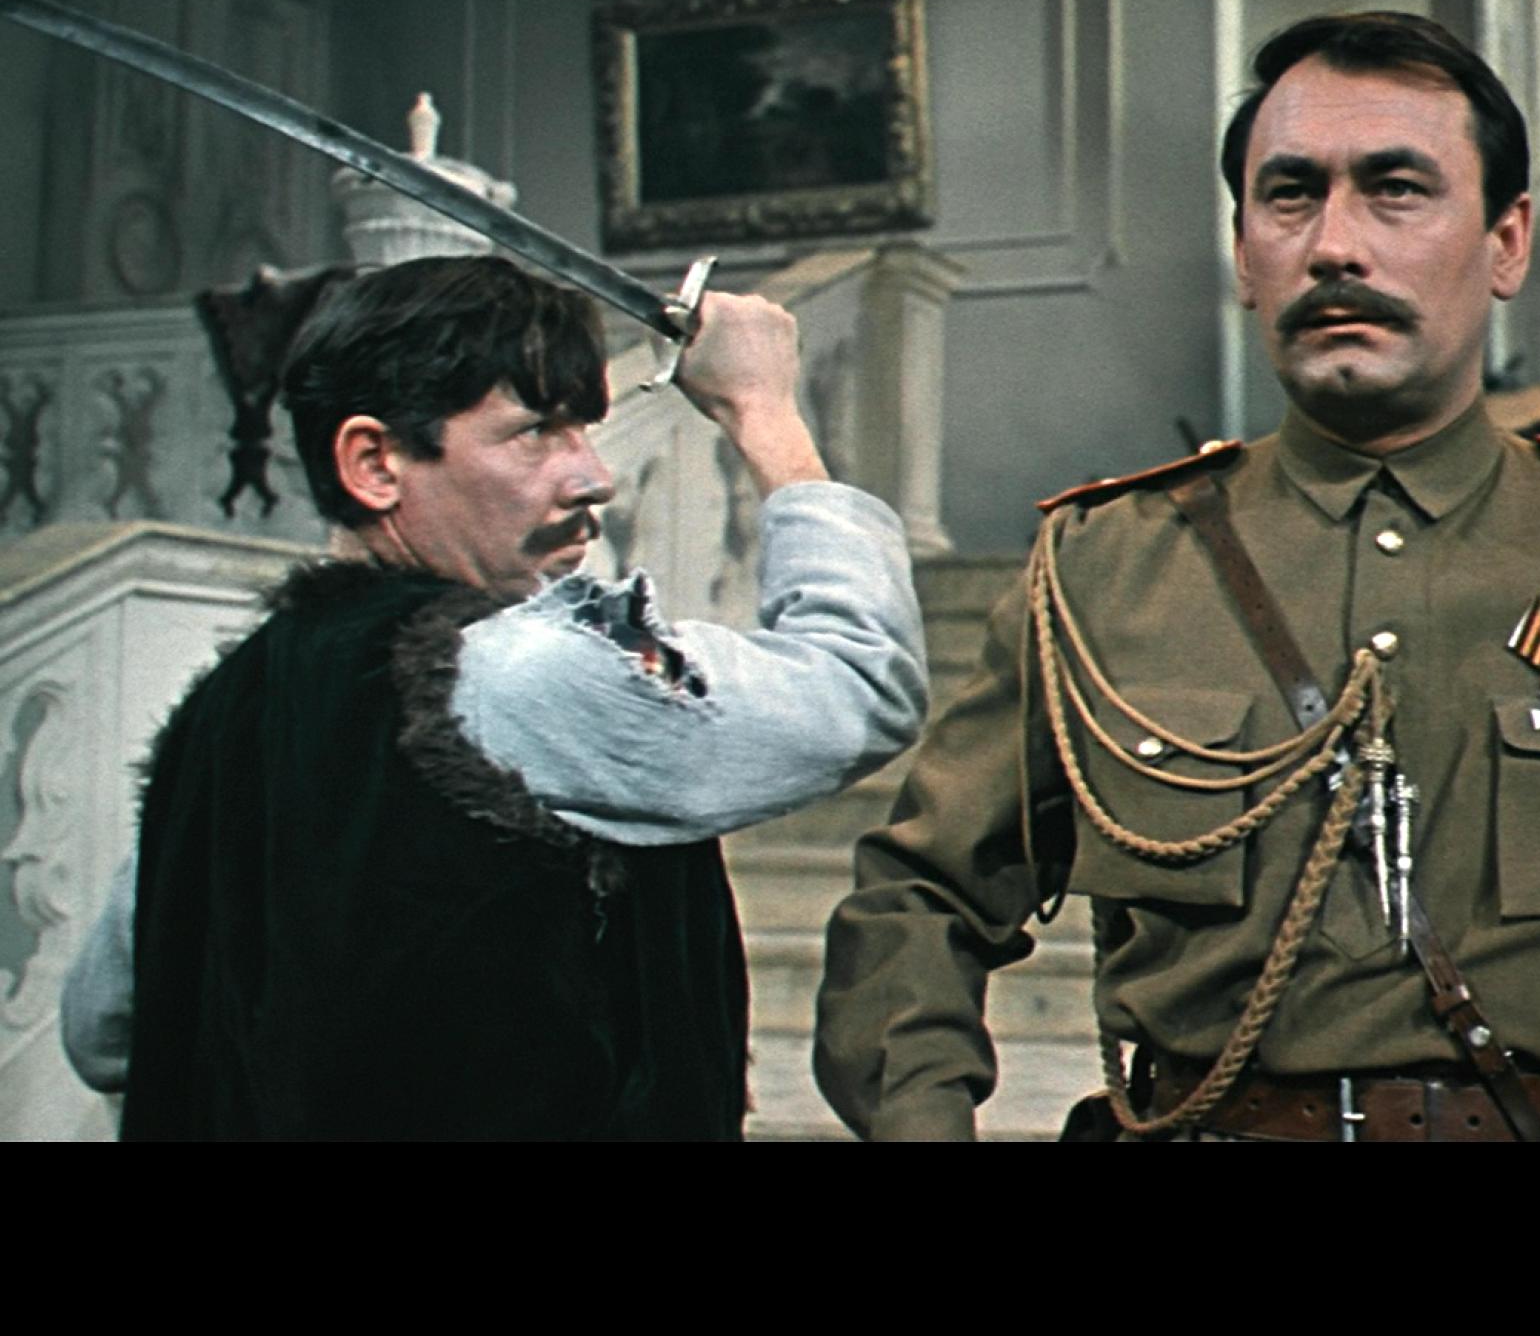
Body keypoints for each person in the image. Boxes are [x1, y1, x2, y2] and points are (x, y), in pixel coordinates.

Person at [813, 12, 1540, 1142]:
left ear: (1508, 241)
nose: (1335, 244)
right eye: (1290, 195)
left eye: (1396, 190)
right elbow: (918, 901)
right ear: (1245, 253)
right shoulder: (1106, 567)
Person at [58, 255, 929, 1140]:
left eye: (584, 429)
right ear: (374, 464)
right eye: (536, 433)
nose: (594, 476)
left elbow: (103, 1028)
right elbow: (861, 681)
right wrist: (763, 411)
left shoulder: (221, 705)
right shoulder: (519, 670)